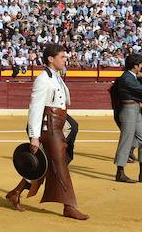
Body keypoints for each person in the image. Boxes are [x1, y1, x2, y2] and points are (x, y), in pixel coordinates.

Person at [5, 44, 88, 221]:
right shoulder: (43, 79)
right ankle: (69, 206)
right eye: (62, 57)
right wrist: (34, 136)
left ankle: (16, 192)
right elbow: (35, 108)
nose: (65, 59)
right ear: (51, 59)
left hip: (56, 124)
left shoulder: (56, 77)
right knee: (60, 164)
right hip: (47, 127)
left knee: (49, 163)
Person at [112, 54, 142, 184]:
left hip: (135, 109)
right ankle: (120, 173)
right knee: (126, 141)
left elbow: (134, 94)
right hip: (128, 111)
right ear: (135, 65)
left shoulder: (129, 77)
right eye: (141, 64)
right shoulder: (127, 78)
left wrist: (138, 103)